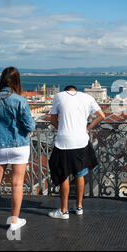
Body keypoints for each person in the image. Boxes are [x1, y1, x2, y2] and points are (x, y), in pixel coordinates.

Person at [0, 67, 36, 231]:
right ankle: (14, 223)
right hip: (19, 145)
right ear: (17, 81)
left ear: (2, 80)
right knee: (17, 184)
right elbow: (30, 124)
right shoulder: (20, 100)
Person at [48, 85, 105, 219]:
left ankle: (64, 210)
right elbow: (101, 115)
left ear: (66, 91)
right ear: (75, 90)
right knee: (80, 174)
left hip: (64, 143)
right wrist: (88, 128)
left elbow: (52, 119)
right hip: (81, 141)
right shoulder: (87, 97)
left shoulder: (58, 96)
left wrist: (60, 127)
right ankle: (79, 207)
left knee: (64, 175)